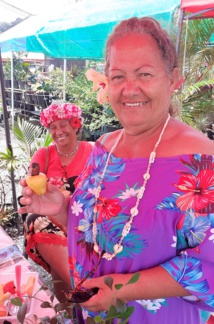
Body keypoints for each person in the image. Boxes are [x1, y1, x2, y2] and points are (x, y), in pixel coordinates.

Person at [19, 17, 214, 323]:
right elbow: (101, 236)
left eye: (145, 74)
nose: (129, 89)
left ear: (173, 79)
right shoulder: (105, 147)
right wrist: (62, 210)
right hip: (97, 312)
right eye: (118, 76)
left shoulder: (202, 162)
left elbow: (207, 266)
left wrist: (119, 289)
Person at [23, 101, 93, 302]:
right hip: (48, 218)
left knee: (59, 262)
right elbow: (30, 185)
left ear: (75, 124)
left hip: (83, 218)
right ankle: (84, 292)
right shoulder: (43, 155)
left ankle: (68, 308)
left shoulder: (92, 151)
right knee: (39, 221)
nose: (58, 131)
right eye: (52, 127)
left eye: (63, 125)